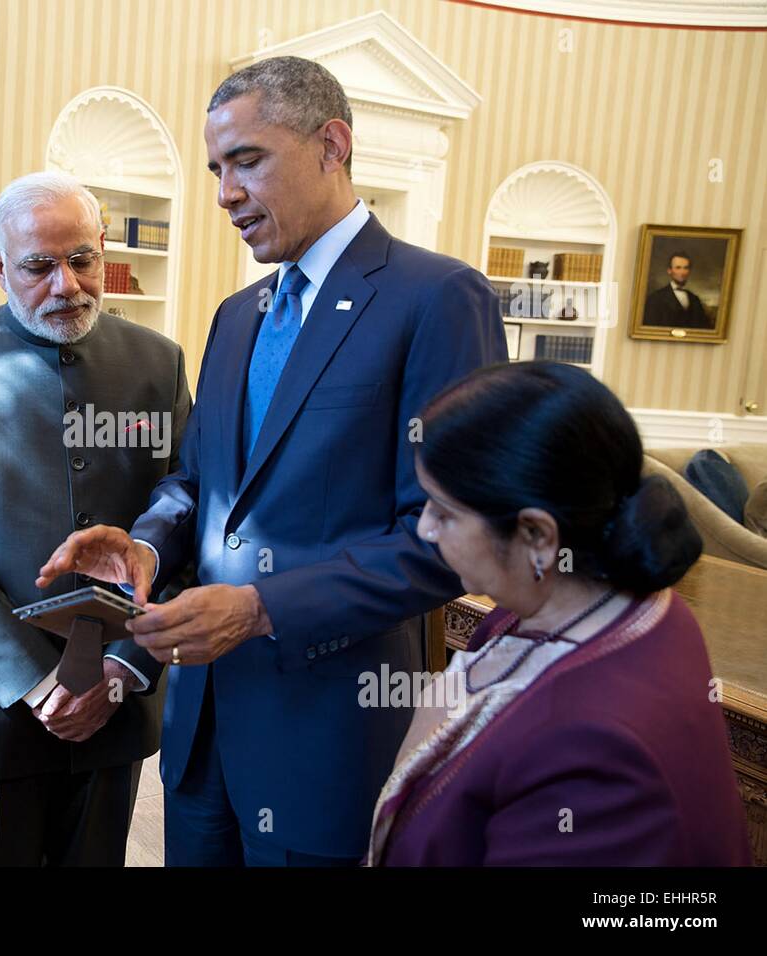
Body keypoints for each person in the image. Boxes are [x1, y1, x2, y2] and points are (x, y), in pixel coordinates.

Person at [37, 57, 507, 866]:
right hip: (199, 737)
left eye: (246, 161)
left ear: (332, 145)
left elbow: (448, 544)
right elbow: (197, 482)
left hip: (324, 744)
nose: (224, 193)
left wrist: (260, 607)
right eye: (217, 169)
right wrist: (144, 545)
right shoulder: (236, 316)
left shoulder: (438, 300)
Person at [0, 172, 191, 866]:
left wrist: (122, 669)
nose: (67, 285)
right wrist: (32, 680)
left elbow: (182, 513)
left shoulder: (158, 363)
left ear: (104, 248)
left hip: (117, 702)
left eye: (82, 259)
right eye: (39, 266)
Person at [368, 361, 751, 865]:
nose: (426, 530)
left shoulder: (589, 751)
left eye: (445, 512)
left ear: (538, 537)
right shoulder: (605, 605)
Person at [642, 251, 709, 329]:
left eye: (685, 268)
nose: (682, 272)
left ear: (689, 271)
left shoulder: (695, 299)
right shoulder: (655, 298)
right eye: (678, 268)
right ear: (669, 271)